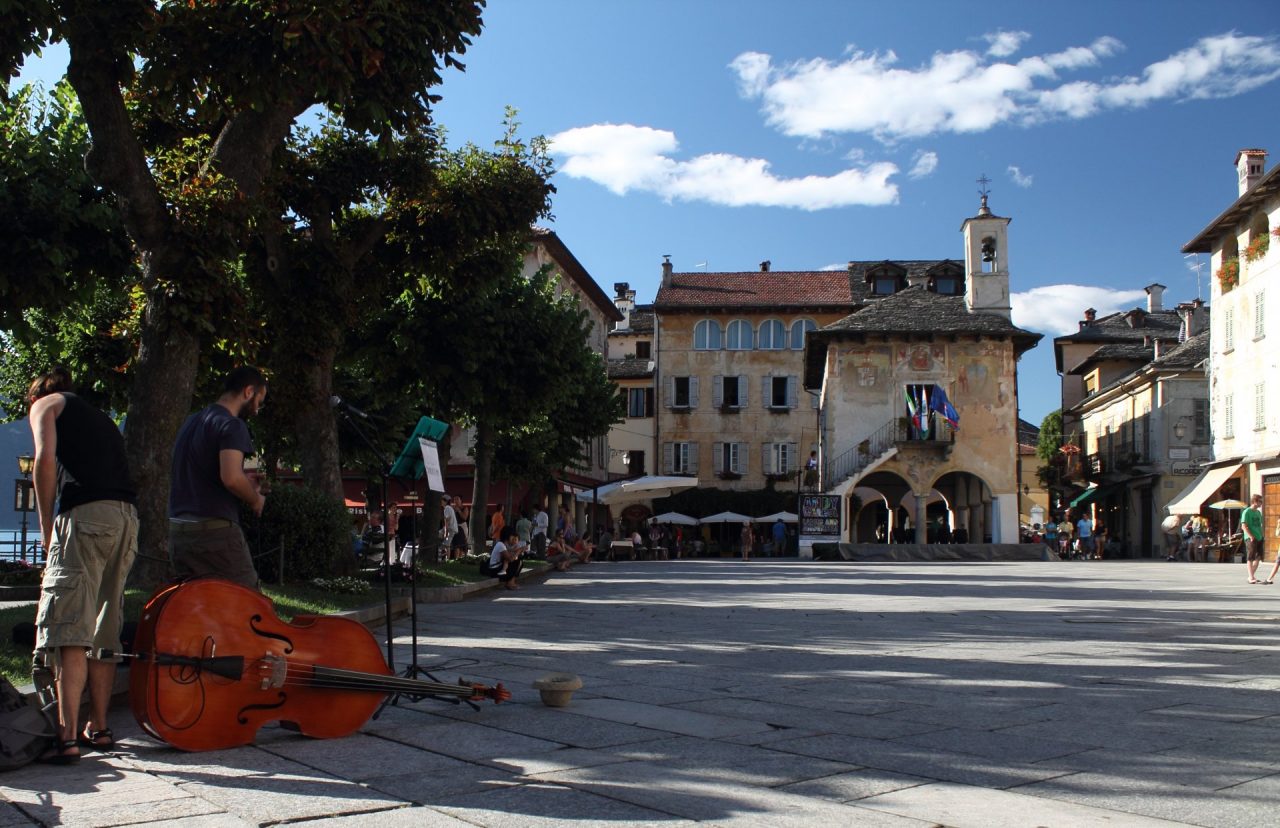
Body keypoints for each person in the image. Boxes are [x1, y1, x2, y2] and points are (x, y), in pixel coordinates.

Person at [27, 367, 138, 764]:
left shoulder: (46, 404)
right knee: (105, 626)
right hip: (126, 518)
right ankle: (101, 727)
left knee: (71, 624)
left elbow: (44, 461)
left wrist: (45, 528)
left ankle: (67, 736)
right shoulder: (99, 418)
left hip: (86, 517)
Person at [169, 366, 268, 589]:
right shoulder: (232, 425)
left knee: (201, 607)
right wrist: (255, 499)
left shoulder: (193, 421)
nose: (257, 410)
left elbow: (203, 471)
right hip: (214, 532)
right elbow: (231, 478)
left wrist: (246, 483)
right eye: (259, 401)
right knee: (248, 603)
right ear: (249, 391)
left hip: (179, 531)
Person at [1242, 494, 1266, 583]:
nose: (1261, 503)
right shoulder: (1247, 512)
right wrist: (1251, 536)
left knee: (1258, 557)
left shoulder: (1258, 512)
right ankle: (1251, 577)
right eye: (1260, 501)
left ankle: (1251, 576)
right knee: (1250, 557)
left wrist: (1262, 535)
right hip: (1250, 538)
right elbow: (1244, 526)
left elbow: (1260, 526)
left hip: (1259, 537)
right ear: (1255, 501)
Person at [441, 495, 459, 560]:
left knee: (447, 544)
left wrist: (445, 531)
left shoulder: (447, 508)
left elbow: (447, 520)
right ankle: (444, 556)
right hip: (452, 528)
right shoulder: (449, 508)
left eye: (442, 501)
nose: (441, 502)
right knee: (446, 544)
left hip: (451, 529)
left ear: (445, 501)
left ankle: (447, 559)